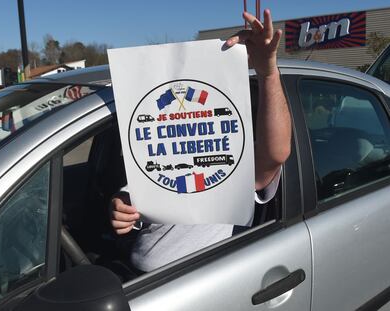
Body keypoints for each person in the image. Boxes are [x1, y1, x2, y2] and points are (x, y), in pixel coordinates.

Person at [111, 9, 292, 273]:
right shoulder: (156, 155)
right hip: (137, 278)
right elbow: (132, 198)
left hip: (195, 283)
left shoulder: (228, 162)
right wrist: (118, 205)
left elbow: (275, 155)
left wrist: (268, 74)